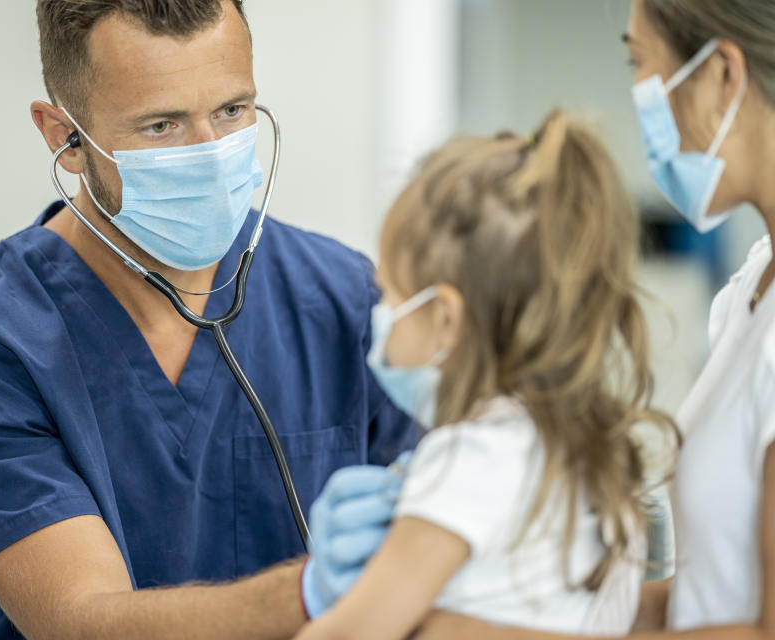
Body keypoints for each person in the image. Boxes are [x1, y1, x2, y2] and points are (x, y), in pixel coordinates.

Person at [0, 1, 417, 638]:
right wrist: (314, 593)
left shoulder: (345, 299)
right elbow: (82, 623)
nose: (212, 153)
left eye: (232, 110)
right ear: (62, 135)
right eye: (161, 126)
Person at [309, 0, 775, 638]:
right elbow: (707, 599)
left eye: (640, 63)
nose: (636, 95)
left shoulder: (470, 459)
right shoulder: (750, 291)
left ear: (722, 74)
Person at [294, 111, 676, 640]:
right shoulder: (583, 455)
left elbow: (352, 633)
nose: (379, 316)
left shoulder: (467, 459)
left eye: (389, 296)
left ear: (445, 319)